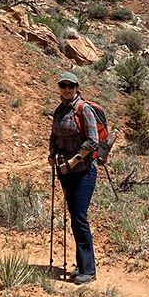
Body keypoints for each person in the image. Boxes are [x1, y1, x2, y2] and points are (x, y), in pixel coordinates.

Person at [48, 71, 99, 284]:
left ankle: (88, 269)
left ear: (77, 86)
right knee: (75, 217)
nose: (67, 88)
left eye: (70, 85)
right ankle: (81, 265)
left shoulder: (83, 108)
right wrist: (52, 155)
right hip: (65, 171)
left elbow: (93, 141)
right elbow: (53, 136)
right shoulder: (60, 110)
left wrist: (75, 160)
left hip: (83, 171)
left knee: (79, 217)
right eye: (63, 85)